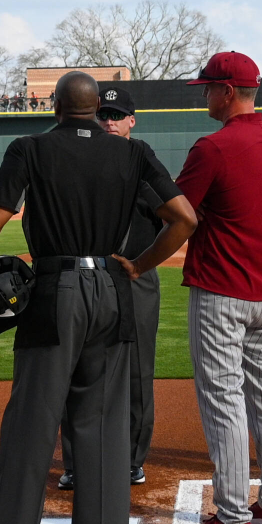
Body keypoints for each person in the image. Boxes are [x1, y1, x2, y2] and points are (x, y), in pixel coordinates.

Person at [0, 71, 196, 524]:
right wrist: (141, 264)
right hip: (111, 290)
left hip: (55, 289)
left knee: (32, 420)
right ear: (92, 110)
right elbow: (185, 218)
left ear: (56, 106)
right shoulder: (132, 151)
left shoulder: (29, 148)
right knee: (103, 423)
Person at [168, 52, 262, 524]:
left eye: (207, 88)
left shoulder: (214, 147)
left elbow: (177, 212)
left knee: (223, 398)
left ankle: (233, 517)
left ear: (226, 91)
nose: (204, 96)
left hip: (221, 291)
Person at [57, 86, 161, 490]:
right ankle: (75, 460)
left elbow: (176, 217)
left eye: (117, 115)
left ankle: (132, 458)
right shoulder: (85, 157)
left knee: (137, 371)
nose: (110, 122)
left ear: (132, 120)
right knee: (78, 368)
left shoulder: (142, 159)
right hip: (87, 275)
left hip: (133, 277)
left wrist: (143, 263)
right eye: (104, 115)